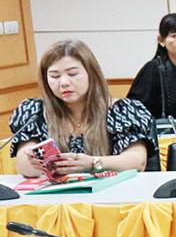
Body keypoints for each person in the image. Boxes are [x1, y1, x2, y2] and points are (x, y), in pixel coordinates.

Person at [9, 39, 157, 177]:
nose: (64, 82)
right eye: (55, 76)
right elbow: (23, 166)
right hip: (57, 194)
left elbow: (137, 161)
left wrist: (92, 163)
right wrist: (34, 163)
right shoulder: (34, 112)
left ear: (91, 74)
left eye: (72, 74)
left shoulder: (122, 111)